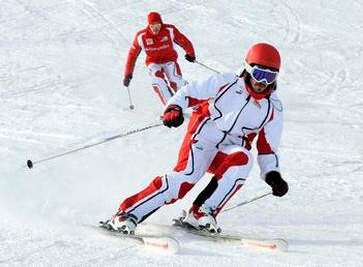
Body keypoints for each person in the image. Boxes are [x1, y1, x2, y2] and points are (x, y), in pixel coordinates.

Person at [106, 43, 288, 233]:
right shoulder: (226, 82)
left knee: (244, 159)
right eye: (259, 74)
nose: (263, 82)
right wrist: (173, 108)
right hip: (202, 139)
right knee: (186, 178)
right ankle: (126, 213)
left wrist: (272, 174)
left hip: (228, 151)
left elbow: (268, 149)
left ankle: (201, 212)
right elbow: (189, 93)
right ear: (248, 69)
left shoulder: (273, 108)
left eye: (270, 76)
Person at [123, 12, 196, 105]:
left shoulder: (170, 30)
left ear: (161, 23)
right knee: (158, 80)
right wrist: (128, 74)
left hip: (169, 60)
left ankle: (196, 101)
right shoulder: (141, 36)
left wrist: (191, 54)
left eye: (157, 24)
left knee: (175, 79)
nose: (155, 28)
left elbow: (184, 41)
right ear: (148, 25)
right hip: (153, 62)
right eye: (152, 25)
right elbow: (132, 55)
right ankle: (171, 107)